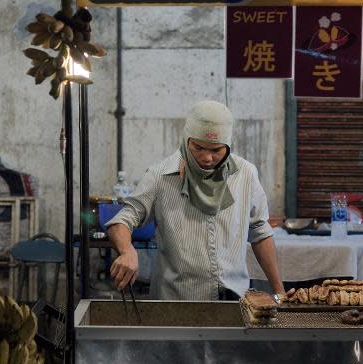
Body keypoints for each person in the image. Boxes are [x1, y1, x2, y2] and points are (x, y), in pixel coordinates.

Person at [108, 100, 285, 301]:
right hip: (177, 303)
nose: (207, 158)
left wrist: (279, 291)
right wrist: (127, 250)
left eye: (216, 150)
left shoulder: (245, 174)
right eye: (199, 147)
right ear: (186, 140)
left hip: (235, 301)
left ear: (228, 145)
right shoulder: (161, 176)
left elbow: (260, 232)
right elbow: (121, 221)